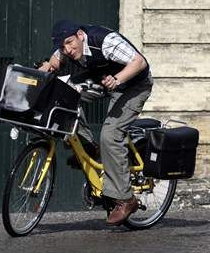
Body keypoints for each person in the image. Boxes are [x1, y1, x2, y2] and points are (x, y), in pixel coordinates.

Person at [39, 20, 152, 226]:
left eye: (70, 43)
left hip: (133, 85)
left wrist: (117, 80)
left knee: (110, 135)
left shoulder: (106, 41)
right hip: (102, 80)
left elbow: (139, 62)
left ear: (80, 34)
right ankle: (87, 146)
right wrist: (47, 67)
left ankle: (126, 199)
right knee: (64, 94)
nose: (68, 49)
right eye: (63, 46)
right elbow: (56, 60)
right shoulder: (65, 47)